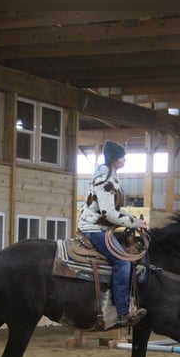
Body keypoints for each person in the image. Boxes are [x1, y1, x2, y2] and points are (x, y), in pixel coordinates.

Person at [77, 140, 147, 327]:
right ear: (116, 159)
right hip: (94, 228)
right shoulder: (106, 181)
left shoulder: (110, 177)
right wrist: (134, 221)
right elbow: (108, 213)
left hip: (101, 226)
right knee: (123, 262)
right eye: (123, 157)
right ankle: (122, 313)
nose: (125, 160)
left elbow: (115, 210)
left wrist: (134, 220)